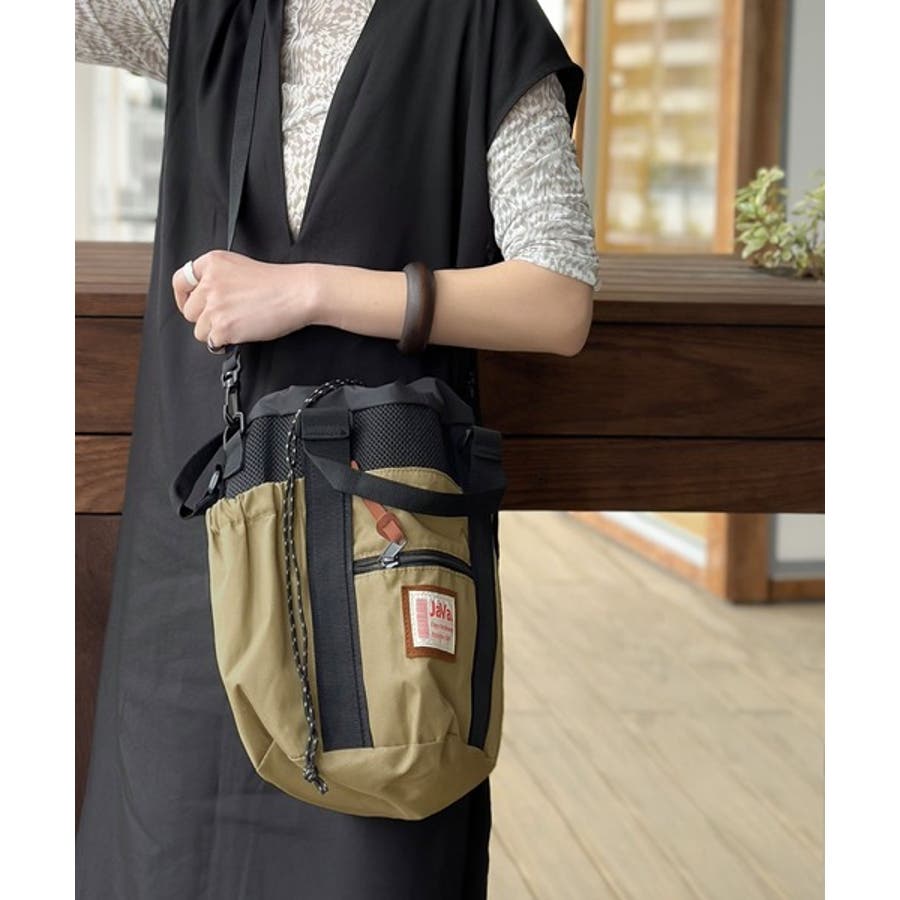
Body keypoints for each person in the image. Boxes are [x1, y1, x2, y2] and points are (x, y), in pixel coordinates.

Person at [75, 0, 601, 897]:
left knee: (372, 846)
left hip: (379, 541)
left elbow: (557, 301)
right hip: (199, 541)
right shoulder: (199, 17)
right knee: (167, 850)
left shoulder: (480, 25)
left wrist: (308, 291)